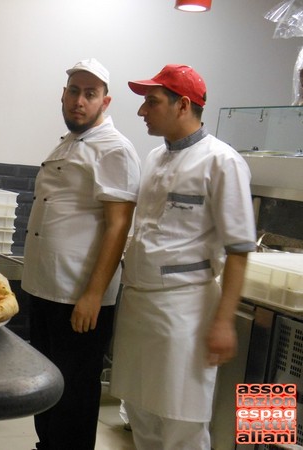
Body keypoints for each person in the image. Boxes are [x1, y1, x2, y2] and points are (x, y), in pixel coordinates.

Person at [110, 64, 257, 450]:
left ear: (183, 105)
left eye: (151, 102)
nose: (142, 111)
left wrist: (224, 322)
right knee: (140, 412)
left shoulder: (222, 162)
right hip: (139, 306)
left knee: (181, 424)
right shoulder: (155, 157)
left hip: (185, 311)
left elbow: (239, 250)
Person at [21, 58, 141, 450]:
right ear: (63, 93)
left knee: (74, 392)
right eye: (74, 91)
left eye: (90, 94)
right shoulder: (70, 141)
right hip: (45, 287)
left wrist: (93, 294)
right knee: (47, 383)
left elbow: (118, 226)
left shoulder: (115, 149)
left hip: (79, 295)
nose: (79, 101)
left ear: (106, 101)